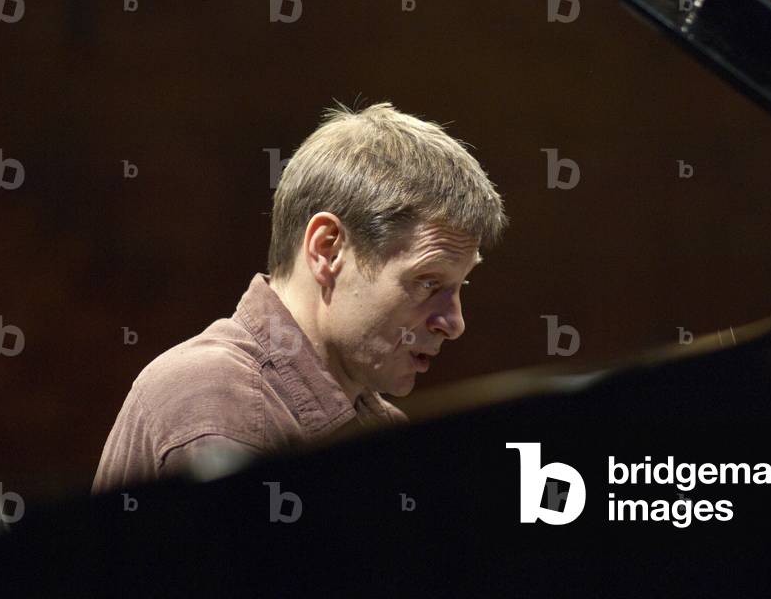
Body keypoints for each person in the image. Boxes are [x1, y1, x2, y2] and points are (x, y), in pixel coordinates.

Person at [91, 101, 507, 494]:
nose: (454, 324)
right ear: (327, 250)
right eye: (428, 282)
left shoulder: (377, 423)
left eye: (460, 286)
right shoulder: (220, 401)